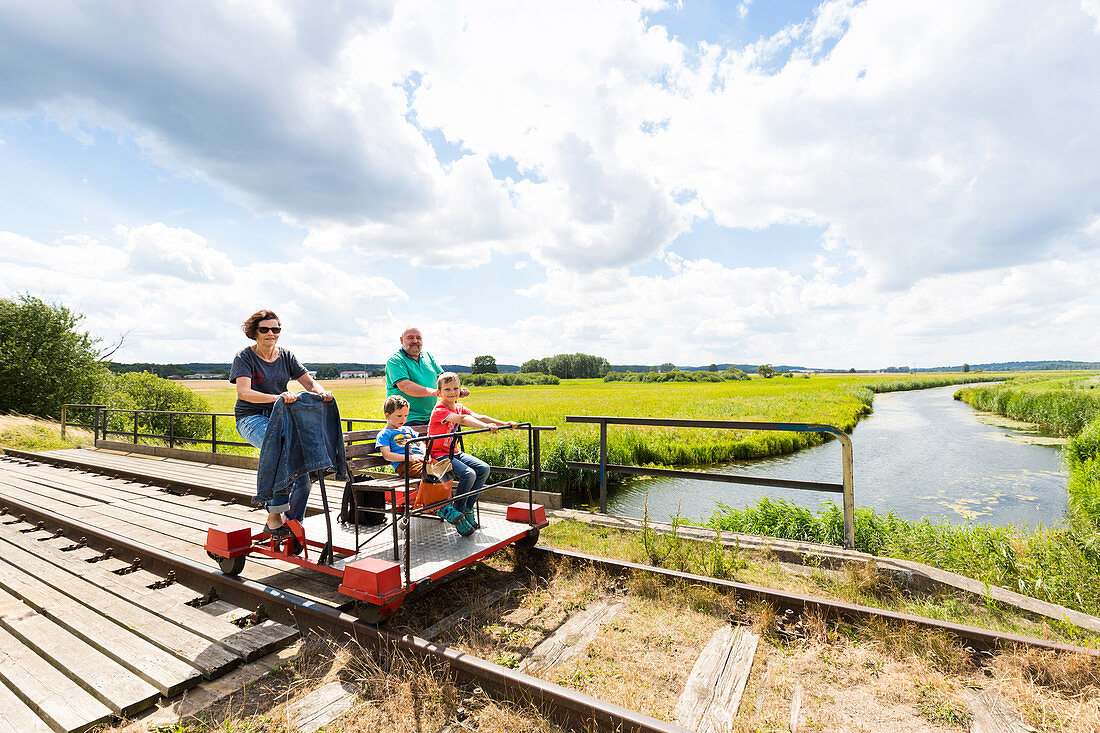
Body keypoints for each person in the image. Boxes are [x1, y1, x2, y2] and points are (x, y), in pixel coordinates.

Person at [229, 309, 333, 539]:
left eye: (275, 329)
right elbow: (244, 393)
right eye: (264, 329)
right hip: (252, 417)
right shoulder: (244, 357)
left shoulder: (285, 355)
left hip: (282, 417)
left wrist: (322, 393)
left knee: (304, 465)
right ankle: (274, 517)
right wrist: (277, 397)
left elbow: (309, 382)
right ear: (254, 332)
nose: (270, 333)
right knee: (281, 450)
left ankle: (294, 521)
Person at [428, 372, 517, 533]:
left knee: (483, 469)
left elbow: (479, 416)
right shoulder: (440, 409)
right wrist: (485, 427)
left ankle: (468, 507)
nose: (452, 392)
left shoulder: (459, 406)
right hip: (438, 454)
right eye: (447, 389)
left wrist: (504, 423)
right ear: (439, 393)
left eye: (455, 388)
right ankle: (459, 510)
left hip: (452, 452)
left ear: (460, 390)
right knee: (469, 474)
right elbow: (462, 420)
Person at [377, 394, 473, 534]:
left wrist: (424, 453)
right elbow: (387, 455)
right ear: (387, 415)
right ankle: (443, 509)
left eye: (405, 416)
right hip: (405, 465)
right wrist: (410, 458)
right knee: (431, 474)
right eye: (399, 416)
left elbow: (421, 442)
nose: (403, 419)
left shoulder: (408, 430)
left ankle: (445, 505)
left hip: (421, 460)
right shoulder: (385, 434)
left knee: (444, 469)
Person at [384, 326, 468, 426]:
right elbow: (405, 387)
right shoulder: (395, 360)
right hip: (406, 418)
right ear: (401, 340)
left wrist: (457, 390)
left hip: (433, 415)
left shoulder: (428, 357)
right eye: (410, 338)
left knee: (447, 440)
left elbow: (444, 379)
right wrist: (435, 392)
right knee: (420, 442)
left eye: (418, 338)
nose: (415, 341)